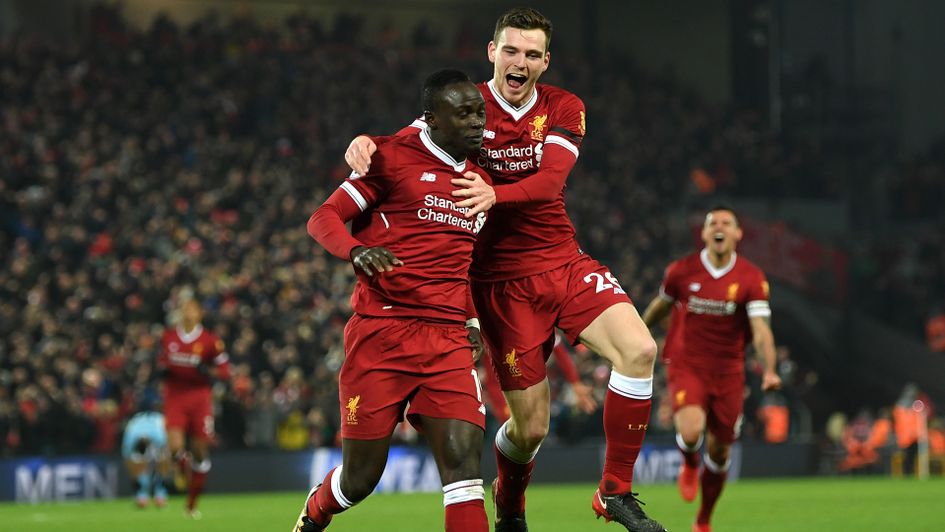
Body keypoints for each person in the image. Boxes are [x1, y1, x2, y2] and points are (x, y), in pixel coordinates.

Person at [344, 8, 665, 532]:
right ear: (492, 52)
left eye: (532, 54)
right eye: (511, 50)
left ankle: (615, 491)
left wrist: (495, 193)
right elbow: (405, 148)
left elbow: (548, 184)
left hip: (561, 260)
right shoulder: (466, 105)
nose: (520, 62)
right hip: (497, 285)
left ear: (545, 62)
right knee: (531, 428)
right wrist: (366, 142)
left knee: (641, 349)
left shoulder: (564, 106)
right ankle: (511, 505)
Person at [293, 69, 490, 532]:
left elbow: (463, 263)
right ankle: (317, 509)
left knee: (463, 466)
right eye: (462, 113)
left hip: (447, 341)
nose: (476, 122)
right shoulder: (391, 159)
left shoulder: (481, 182)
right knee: (360, 479)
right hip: (382, 334)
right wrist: (356, 251)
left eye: (479, 111)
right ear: (431, 120)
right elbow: (323, 217)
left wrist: (474, 322)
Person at [641, 206, 782, 532]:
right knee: (691, 430)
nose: (719, 228)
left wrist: (770, 369)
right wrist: (639, 330)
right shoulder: (681, 271)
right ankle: (689, 463)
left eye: (726, 223)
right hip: (687, 363)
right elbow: (661, 305)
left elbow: (761, 330)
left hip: (729, 371)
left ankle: (703, 519)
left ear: (737, 234)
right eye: (712, 223)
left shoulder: (751, 278)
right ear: (704, 234)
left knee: (719, 453)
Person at [157, 297, 231, 518]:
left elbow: (225, 372)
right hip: (176, 397)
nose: (187, 312)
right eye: (184, 308)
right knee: (174, 447)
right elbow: (162, 362)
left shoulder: (210, 341)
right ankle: (182, 466)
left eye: (192, 309)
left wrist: (208, 372)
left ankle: (191, 504)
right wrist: (161, 370)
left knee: (200, 451)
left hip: (200, 399)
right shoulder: (168, 337)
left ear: (200, 314)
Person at [121, 400, 170, 508]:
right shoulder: (134, 434)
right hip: (140, 443)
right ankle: (145, 496)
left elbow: (166, 449)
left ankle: (158, 495)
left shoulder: (155, 428)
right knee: (142, 468)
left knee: (160, 465)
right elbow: (127, 454)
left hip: (156, 443)